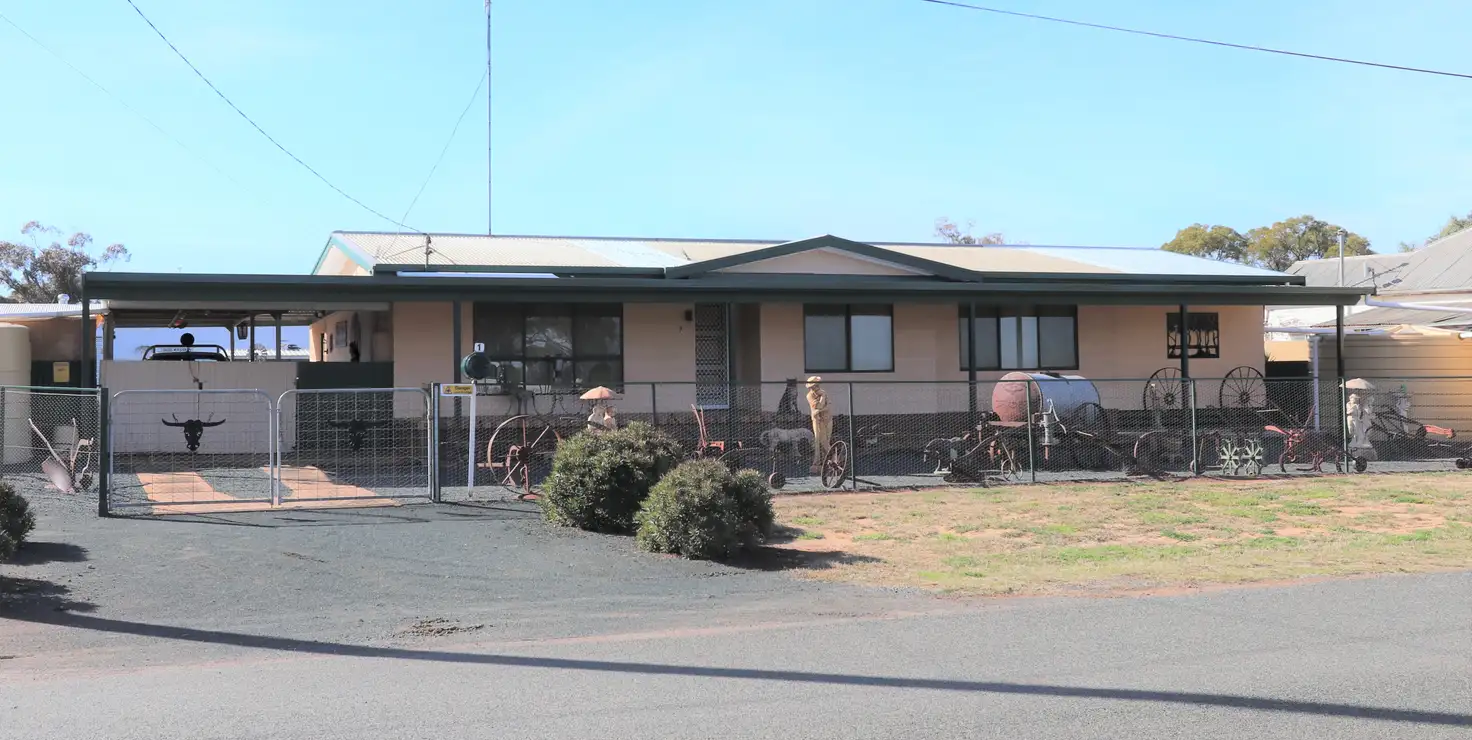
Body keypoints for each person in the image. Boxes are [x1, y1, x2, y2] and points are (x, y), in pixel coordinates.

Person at [806, 376, 831, 474]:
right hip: (817, 420)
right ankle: (817, 462)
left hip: (828, 419)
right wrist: (823, 398)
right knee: (819, 440)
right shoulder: (809, 395)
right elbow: (819, 405)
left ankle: (828, 462)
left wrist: (820, 410)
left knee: (827, 440)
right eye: (814, 386)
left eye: (817, 385)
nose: (816, 387)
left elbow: (828, 406)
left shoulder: (823, 392)